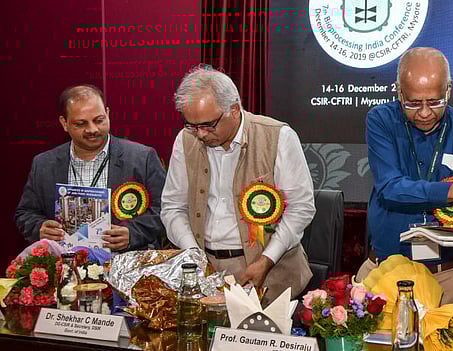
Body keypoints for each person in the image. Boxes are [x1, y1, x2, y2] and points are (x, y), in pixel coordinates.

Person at [359, 47, 453, 304]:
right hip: (384, 273)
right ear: (399, 91)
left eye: (436, 102)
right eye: (413, 103)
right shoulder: (381, 121)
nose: (425, 112)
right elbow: (391, 188)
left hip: (446, 278)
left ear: (449, 89)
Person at [160, 65, 315, 303]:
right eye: (192, 125)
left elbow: (301, 208)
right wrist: (194, 256)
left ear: (234, 110)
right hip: (207, 268)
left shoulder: (278, 136)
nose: (200, 134)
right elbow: (173, 207)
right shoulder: (185, 140)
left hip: (271, 271)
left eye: (207, 125)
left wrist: (267, 259)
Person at [15, 85, 166, 251]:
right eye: (81, 124)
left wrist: (133, 233)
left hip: (127, 263)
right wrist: (40, 229)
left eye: (99, 120)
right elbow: (25, 213)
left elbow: (165, 209)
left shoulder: (142, 158)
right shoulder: (44, 164)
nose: (92, 129)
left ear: (108, 114)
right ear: (64, 123)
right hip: (66, 265)